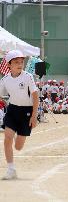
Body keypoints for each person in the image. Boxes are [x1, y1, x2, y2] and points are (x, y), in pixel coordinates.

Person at [0, 50, 39, 180]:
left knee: (18, 146)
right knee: (7, 138)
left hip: (26, 112)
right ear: (9, 65)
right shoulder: (5, 79)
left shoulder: (27, 77)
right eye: (16, 62)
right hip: (12, 110)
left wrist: (34, 116)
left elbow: (35, 96)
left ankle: (19, 135)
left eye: (21, 62)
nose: (20, 64)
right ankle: (11, 169)